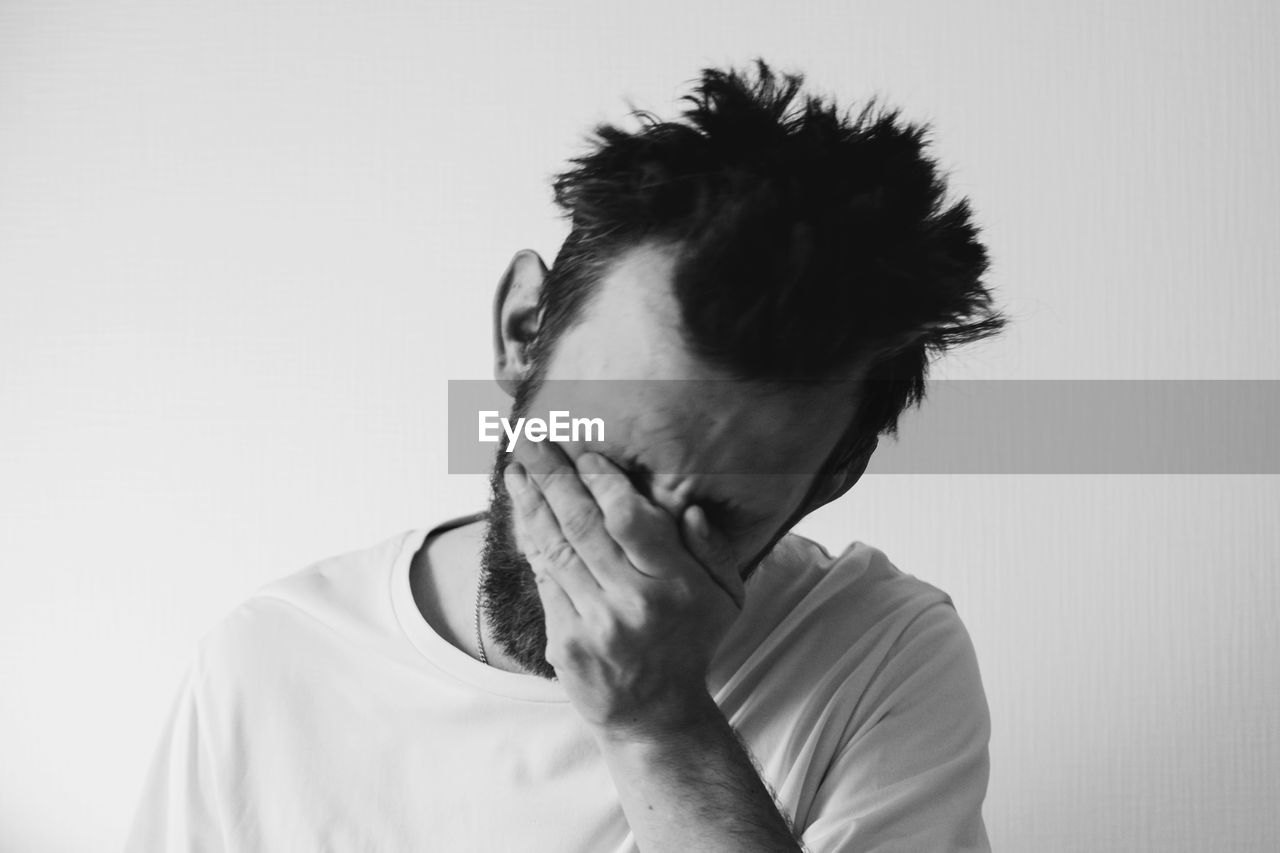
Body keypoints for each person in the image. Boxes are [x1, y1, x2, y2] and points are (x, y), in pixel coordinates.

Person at [126, 60, 1006, 852]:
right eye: (605, 464)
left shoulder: (882, 656)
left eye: (715, 518)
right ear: (521, 333)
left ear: (832, 478)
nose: (630, 552)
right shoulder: (272, 659)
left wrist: (658, 724)